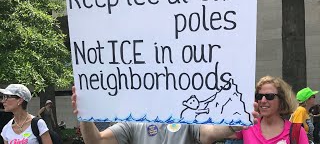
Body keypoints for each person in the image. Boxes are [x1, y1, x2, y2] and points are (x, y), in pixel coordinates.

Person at [71, 86, 260, 144]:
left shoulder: (185, 117)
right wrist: (85, 117)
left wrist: (235, 124)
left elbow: (209, 133)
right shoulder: (132, 122)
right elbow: (96, 141)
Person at [230, 76, 308, 143]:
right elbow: (219, 133)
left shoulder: (297, 132)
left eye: (269, 96)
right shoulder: (247, 125)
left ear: (282, 100)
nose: (263, 101)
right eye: (259, 96)